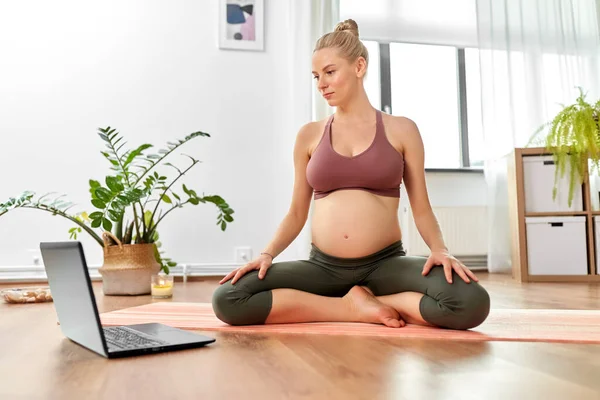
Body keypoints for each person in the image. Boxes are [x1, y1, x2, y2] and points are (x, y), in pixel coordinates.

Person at [212, 19, 490, 330]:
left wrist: (440, 250)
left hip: (386, 265)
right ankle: (350, 307)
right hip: (322, 268)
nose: (321, 84)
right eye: (316, 76)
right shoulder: (309, 135)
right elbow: (296, 212)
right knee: (229, 298)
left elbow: (421, 208)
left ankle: (376, 299)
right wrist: (267, 254)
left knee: (471, 302)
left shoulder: (402, 129)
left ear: (359, 67)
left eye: (330, 72)